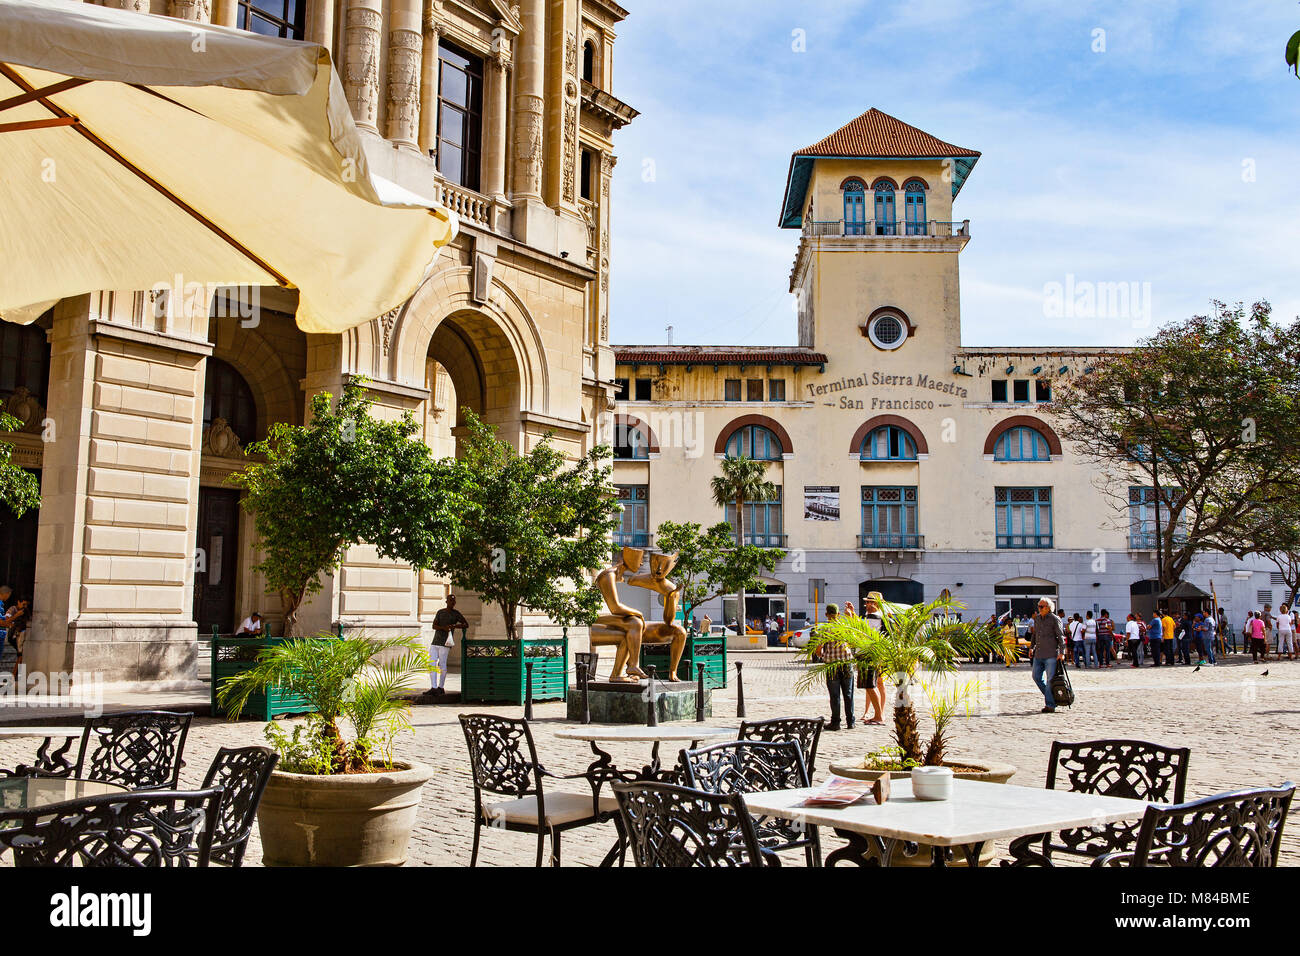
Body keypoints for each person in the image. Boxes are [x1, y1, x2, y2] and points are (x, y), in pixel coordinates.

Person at [814, 604, 854, 731]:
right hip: (846, 663)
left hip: (831, 665)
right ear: (838, 614)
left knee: (835, 695)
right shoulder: (845, 627)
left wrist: (820, 654)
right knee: (848, 694)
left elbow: (818, 648)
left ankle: (836, 722)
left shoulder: (825, 629)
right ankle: (850, 721)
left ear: (826, 614)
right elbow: (853, 641)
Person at [425, 594, 469, 697]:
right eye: (450, 601)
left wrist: (454, 626)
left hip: (446, 643)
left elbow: (465, 624)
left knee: (442, 665)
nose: (452, 603)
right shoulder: (441, 612)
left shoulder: (456, 614)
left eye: (453, 601)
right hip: (435, 642)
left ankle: (441, 687)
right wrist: (442, 628)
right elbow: (434, 626)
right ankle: (433, 687)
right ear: (446, 601)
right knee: (432, 663)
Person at [1030, 598, 1065, 713]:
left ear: (1048, 608)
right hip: (1038, 654)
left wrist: (1062, 652)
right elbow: (1035, 635)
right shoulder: (1037, 619)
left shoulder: (1055, 619)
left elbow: (1060, 636)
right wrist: (1031, 647)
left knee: (1050, 680)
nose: (1039, 609)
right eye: (1038, 606)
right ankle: (1052, 698)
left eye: (1041, 606)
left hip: (1051, 654)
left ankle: (1050, 705)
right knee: (1036, 677)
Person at [857, 591, 887, 725]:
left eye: (870, 602)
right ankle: (878, 713)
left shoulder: (874, 618)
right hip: (874, 655)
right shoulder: (875, 616)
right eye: (867, 602)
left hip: (869, 655)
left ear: (877, 604)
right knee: (876, 684)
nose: (867, 604)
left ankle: (878, 715)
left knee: (871, 685)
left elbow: (866, 635)